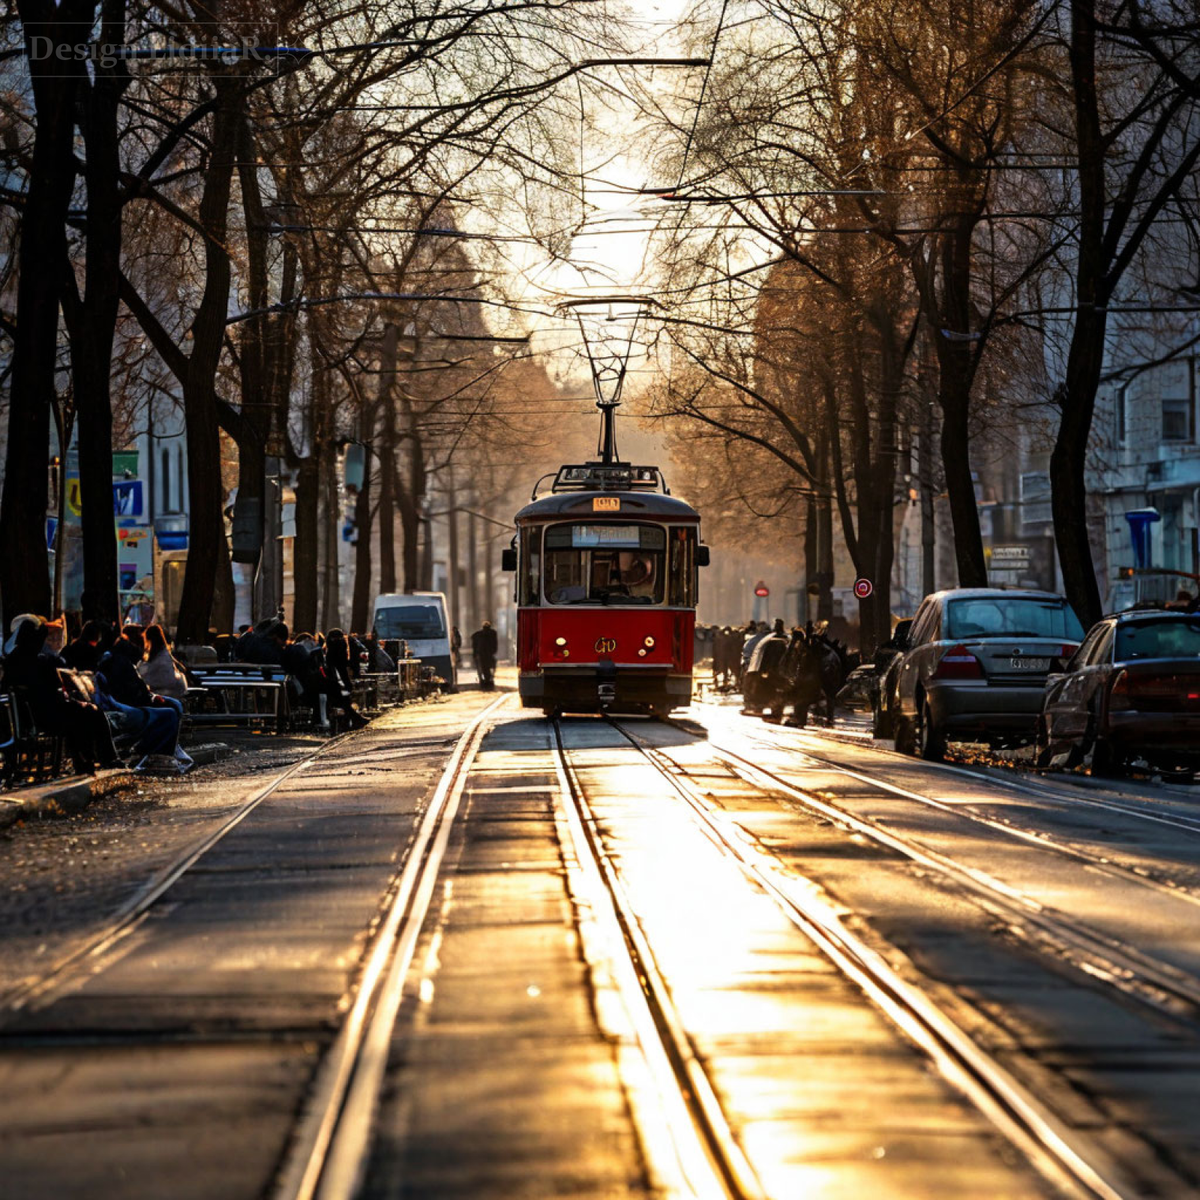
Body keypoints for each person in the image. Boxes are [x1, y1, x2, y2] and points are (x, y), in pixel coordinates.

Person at [2, 617, 121, 773]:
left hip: (28, 719)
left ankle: (85, 760)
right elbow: (57, 686)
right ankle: (103, 758)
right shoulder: (41, 661)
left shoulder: (11, 662)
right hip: (49, 715)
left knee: (79, 713)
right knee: (92, 712)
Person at [97, 632, 184, 766]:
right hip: (129, 704)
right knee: (171, 712)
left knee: (174, 704)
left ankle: (167, 751)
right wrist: (149, 699)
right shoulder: (117, 662)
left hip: (136, 700)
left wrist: (151, 697)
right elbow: (128, 691)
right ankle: (152, 751)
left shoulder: (121, 660)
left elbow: (137, 685)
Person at [139, 624, 188, 701]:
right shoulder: (164, 653)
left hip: (169, 692)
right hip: (173, 688)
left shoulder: (160, 657)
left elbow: (150, 676)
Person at [471, 621, 498, 690]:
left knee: (483, 668)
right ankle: (487, 679)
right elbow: (494, 645)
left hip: (484, 654)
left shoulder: (478, 635)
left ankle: (485, 680)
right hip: (486, 654)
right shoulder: (492, 633)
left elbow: (475, 646)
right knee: (487, 668)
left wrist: (475, 654)